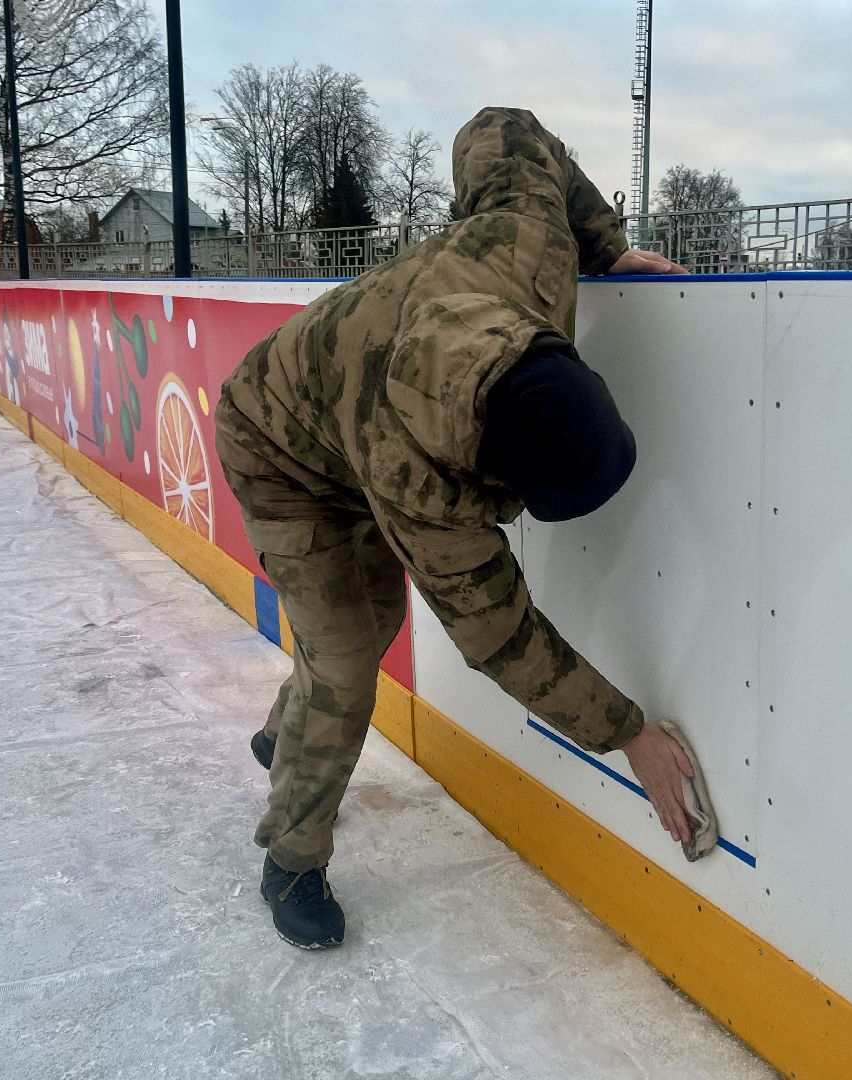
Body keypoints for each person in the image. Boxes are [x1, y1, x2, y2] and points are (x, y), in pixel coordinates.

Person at [214, 106, 714, 951]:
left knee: (370, 621)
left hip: (348, 409)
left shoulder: (526, 245)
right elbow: (501, 640)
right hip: (278, 447)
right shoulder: (421, 488)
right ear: (493, 473)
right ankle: (291, 858)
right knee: (345, 662)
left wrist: (603, 247)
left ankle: (283, 735)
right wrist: (629, 733)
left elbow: (505, 127)